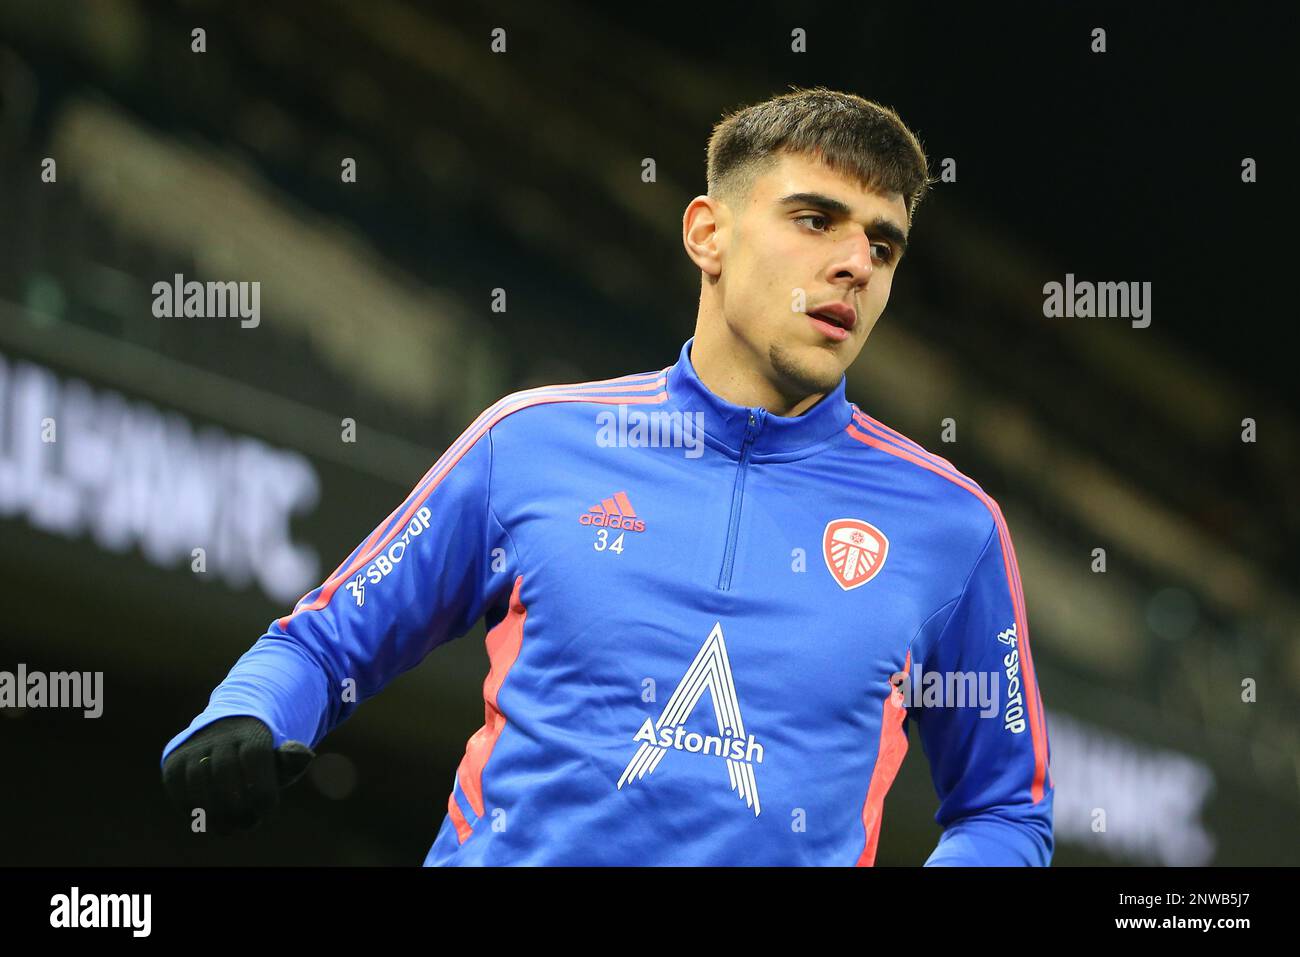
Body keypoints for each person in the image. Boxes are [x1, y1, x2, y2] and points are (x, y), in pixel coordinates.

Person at [162, 86, 1053, 865]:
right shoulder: (531, 443)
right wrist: (248, 712)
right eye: (816, 220)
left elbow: (1006, 808)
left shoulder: (953, 529)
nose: (856, 263)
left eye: (884, 246)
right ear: (709, 234)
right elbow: (322, 644)